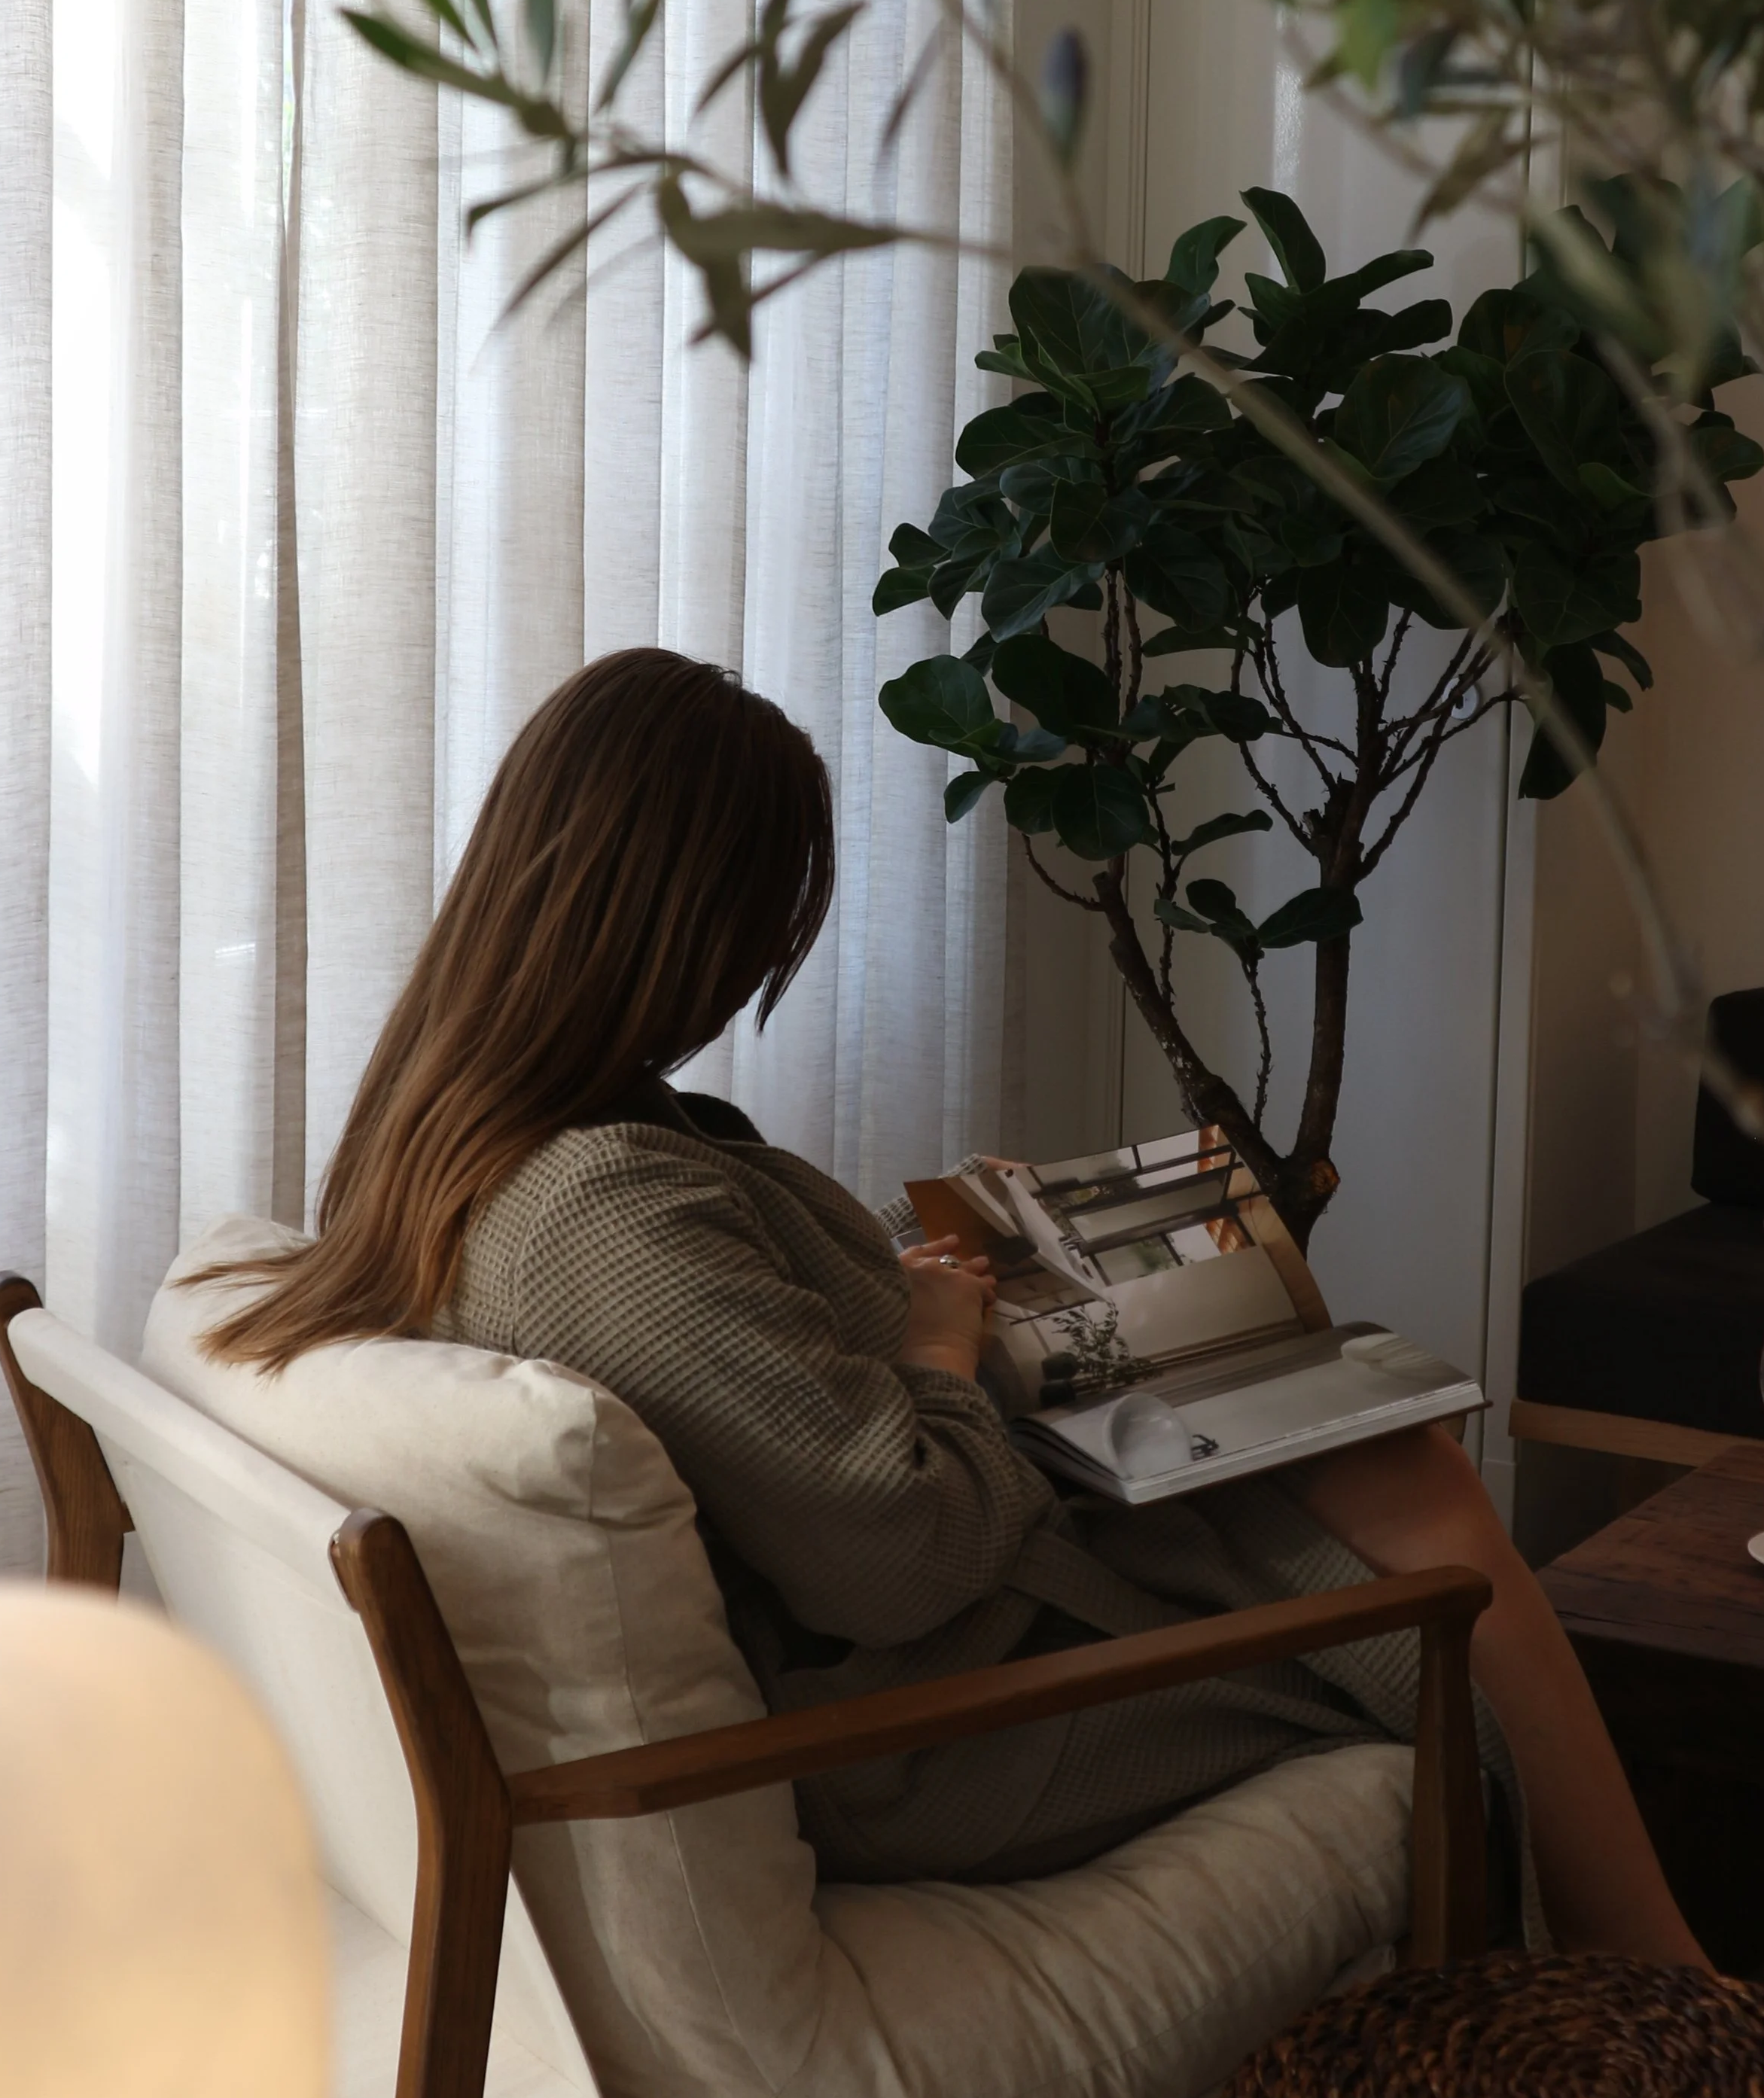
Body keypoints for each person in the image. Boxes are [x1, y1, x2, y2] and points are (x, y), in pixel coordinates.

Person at [200, 647, 1705, 1962]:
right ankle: (1659, 1972)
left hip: (961, 1613)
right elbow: (898, 1559)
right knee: (1422, 1516)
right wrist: (934, 1341)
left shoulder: (460, 1124)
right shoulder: (596, 1208)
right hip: (937, 1714)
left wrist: (954, 1262)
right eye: (755, 926)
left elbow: (747, 1348)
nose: (750, 977)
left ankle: (1650, 1956)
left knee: (1384, 1461)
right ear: (676, 922)